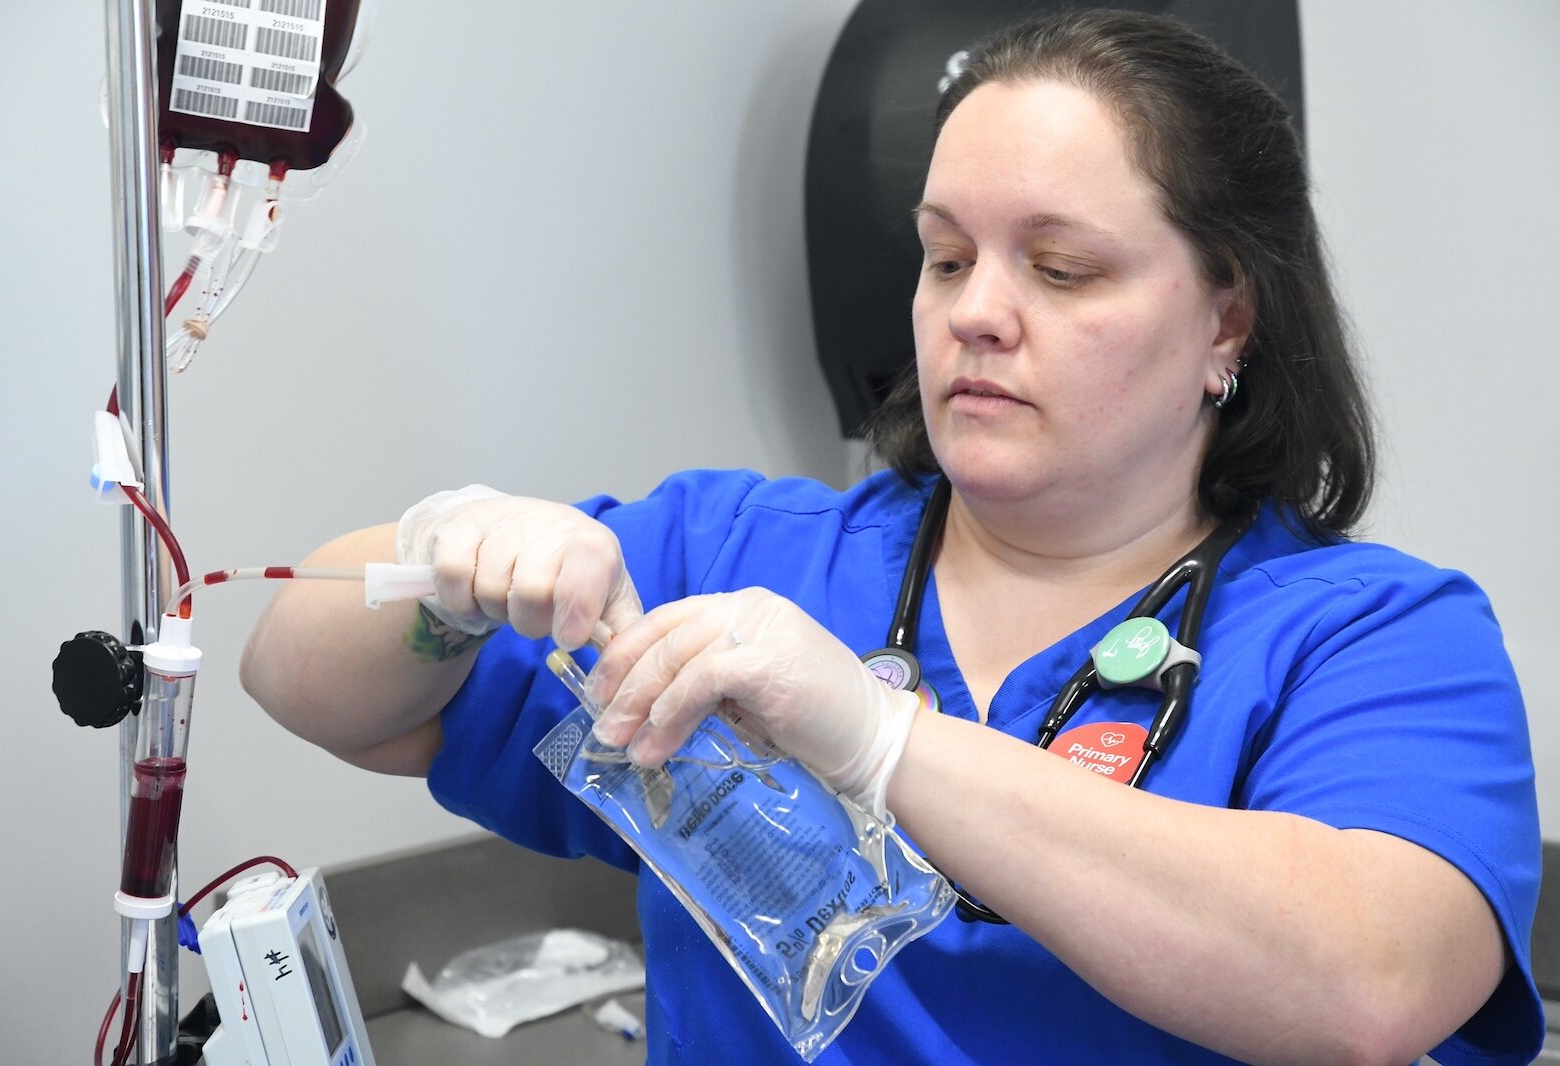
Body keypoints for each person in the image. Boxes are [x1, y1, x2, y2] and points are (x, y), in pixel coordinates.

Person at [241, 9, 1542, 1064]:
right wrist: (447, 555)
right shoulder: (743, 553)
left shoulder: (1377, 636)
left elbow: (1372, 980)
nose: (976, 313)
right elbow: (302, 678)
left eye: (1061, 266)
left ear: (1227, 324)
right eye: (943, 257)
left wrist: (880, 741)